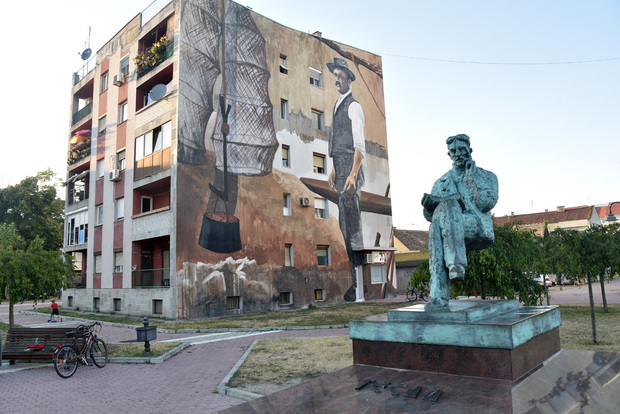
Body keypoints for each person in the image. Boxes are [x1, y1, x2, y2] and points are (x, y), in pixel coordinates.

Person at [421, 134, 499, 309]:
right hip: (446, 229)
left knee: (448, 206)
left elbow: (486, 203)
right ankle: (438, 295)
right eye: (453, 151)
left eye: (462, 150)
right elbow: (431, 217)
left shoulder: (487, 176)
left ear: (470, 151)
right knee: (435, 227)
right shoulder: (440, 182)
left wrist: (472, 176)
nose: (457, 154)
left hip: (475, 225)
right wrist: (428, 208)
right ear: (449, 154)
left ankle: (456, 264)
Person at [327, 57, 366, 302]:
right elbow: (338, 144)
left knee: (353, 228)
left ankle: (360, 287)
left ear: (349, 79)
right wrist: (333, 170)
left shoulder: (354, 106)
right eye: (336, 75)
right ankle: (355, 282)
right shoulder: (337, 104)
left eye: (341, 75)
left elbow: (359, 145)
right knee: (344, 225)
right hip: (340, 169)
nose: (337, 79)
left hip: (350, 170)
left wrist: (352, 174)